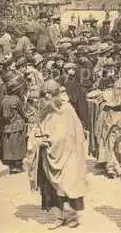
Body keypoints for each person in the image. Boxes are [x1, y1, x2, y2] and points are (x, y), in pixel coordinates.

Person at [37, 80, 86, 230]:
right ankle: (59, 216)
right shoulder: (45, 110)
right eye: (44, 94)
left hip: (68, 153)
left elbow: (71, 133)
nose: (47, 97)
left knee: (67, 185)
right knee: (52, 188)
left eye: (50, 94)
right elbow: (38, 127)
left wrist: (52, 139)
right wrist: (39, 137)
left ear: (56, 94)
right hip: (50, 155)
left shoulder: (66, 109)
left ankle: (71, 216)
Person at [0, 74, 28, 174]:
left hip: (7, 125)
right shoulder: (17, 99)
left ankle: (11, 165)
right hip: (17, 124)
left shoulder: (4, 99)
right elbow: (22, 112)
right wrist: (26, 117)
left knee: (9, 145)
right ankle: (18, 165)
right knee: (18, 144)